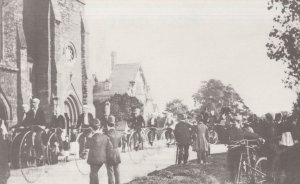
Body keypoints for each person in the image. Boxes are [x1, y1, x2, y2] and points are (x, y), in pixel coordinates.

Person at [86, 119, 113, 184]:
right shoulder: (106, 137)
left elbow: (86, 145)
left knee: (93, 174)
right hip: (103, 159)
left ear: (92, 128)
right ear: (99, 127)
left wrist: (89, 137)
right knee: (94, 173)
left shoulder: (92, 138)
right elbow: (110, 147)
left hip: (94, 160)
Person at [106, 118, 122, 184]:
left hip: (109, 154)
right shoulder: (119, 133)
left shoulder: (107, 134)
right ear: (114, 124)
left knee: (110, 172)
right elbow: (120, 145)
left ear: (107, 125)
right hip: (117, 153)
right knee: (117, 171)